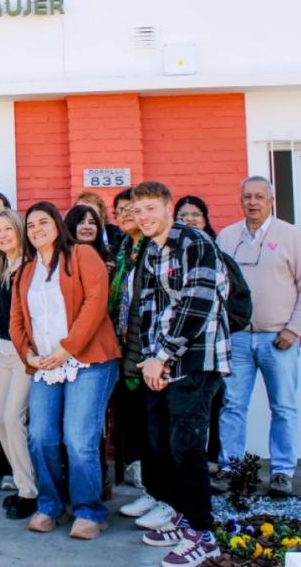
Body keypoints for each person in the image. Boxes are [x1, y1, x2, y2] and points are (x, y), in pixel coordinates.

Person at [133, 181, 231, 566]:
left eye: (151, 209)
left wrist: (166, 355)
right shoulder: (151, 250)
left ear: (169, 208)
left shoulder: (194, 242)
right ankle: (179, 515)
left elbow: (197, 302)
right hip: (162, 362)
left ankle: (203, 534)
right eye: (138, 211)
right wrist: (150, 359)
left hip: (196, 359)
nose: (143, 217)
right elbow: (148, 309)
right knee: (160, 445)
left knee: (186, 447)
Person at [9, 202, 121, 538]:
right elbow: (15, 320)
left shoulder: (82, 255)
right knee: (41, 436)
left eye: (43, 222)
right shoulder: (25, 270)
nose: (36, 229)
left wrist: (66, 348)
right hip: (44, 364)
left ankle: (89, 511)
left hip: (88, 361)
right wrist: (26, 353)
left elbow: (95, 304)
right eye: (30, 226)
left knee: (78, 438)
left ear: (58, 226)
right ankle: (51, 506)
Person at [215, 177, 301, 497]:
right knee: (232, 405)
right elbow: (218, 286)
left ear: (271, 200)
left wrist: (293, 329)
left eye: (260, 196)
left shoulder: (290, 236)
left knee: (284, 406)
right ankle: (230, 468)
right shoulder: (227, 237)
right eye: (247, 196)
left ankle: (282, 472)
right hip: (239, 340)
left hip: (279, 338)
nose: (253, 202)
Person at [109, 188, 166, 526]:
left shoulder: (157, 247)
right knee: (143, 427)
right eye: (121, 210)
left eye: (135, 208)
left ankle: (167, 499)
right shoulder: (125, 251)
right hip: (129, 349)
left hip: (155, 352)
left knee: (159, 428)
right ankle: (153, 493)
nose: (128, 214)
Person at [0, 208, 38, 519]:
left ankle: (30, 491)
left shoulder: (30, 267)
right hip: (0, 351)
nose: (3, 235)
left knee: (13, 418)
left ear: (20, 231)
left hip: (23, 354)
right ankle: (23, 483)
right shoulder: (1, 266)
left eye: (8, 229)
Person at [173, 195, 222, 472]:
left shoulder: (215, 250)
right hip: (182, 351)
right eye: (183, 215)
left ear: (205, 220)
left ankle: (214, 461)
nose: (189, 220)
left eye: (195, 215)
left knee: (213, 406)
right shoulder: (170, 253)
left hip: (211, 346)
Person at [65, 204, 115, 274]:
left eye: (92, 222)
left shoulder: (108, 257)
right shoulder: (63, 258)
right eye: (81, 222)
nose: (87, 227)